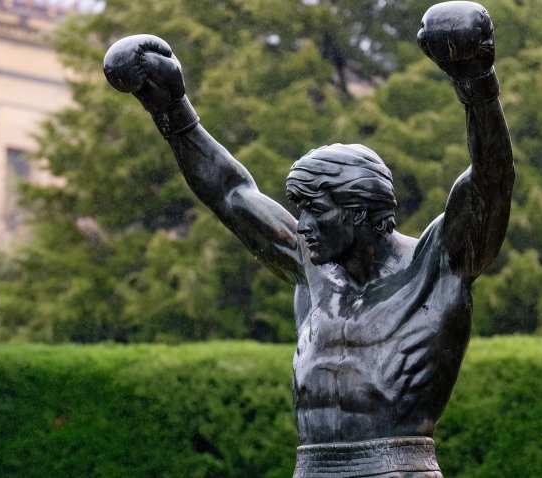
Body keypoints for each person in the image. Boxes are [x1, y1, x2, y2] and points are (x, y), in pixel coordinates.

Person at [104, 1, 513, 476]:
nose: (302, 226)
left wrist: (476, 85)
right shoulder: (314, 271)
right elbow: (231, 193)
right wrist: (173, 111)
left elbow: (490, 182)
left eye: (316, 212)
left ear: (359, 213)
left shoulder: (439, 264)